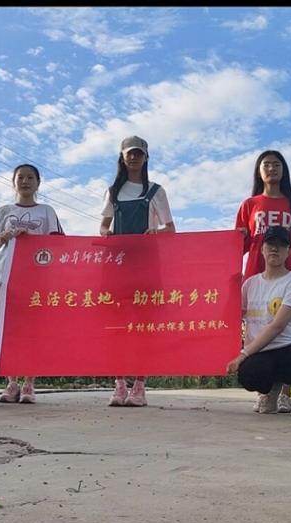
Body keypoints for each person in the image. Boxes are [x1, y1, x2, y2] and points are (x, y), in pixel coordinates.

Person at [234, 149, 291, 413]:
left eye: (276, 164)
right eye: (266, 164)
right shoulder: (249, 204)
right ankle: (265, 392)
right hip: (256, 274)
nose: (271, 168)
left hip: (285, 276)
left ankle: (286, 394)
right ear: (259, 171)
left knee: (285, 328)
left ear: (284, 170)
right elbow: (235, 246)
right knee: (259, 325)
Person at [99, 135, 175, 407]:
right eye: (129, 153)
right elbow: (103, 226)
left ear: (145, 158)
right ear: (122, 158)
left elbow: (171, 229)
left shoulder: (156, 191)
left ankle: (140, 385)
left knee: (144, 328)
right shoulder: (113, 192)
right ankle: (119, 383)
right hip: (118, 268)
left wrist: (156, 232)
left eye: (138, 154)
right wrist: (107, 233)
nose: (134, 158)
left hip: (147, 267)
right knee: (117, 328)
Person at [226, 226, 291, 420]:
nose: (275, 249)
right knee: (248, 373)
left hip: (289, 354)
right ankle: (270, 392)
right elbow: (232, 318)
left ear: (288, 252)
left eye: (281, 245)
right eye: (270, 244)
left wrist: (242, 354)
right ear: (262, 249)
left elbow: (277, 326)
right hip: (262, 354)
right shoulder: (250, 284)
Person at [0, 164, 64, 404]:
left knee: (34, 331)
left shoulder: (47, 211)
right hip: (8, 277)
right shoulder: (4, 211)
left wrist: (33, 240)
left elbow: (58, 244)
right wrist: (5, 237)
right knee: (10, 330)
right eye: (20, 177)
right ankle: (11, 382)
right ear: (13, 182)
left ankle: (29, 383)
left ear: (38, 183)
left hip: (37, 279)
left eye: (30, 177)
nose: (25, 181)